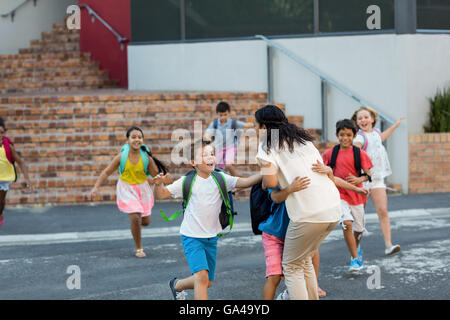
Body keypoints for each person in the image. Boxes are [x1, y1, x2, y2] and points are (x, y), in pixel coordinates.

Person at [153, 139, 261, 300]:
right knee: (202, 278)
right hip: (192, 236)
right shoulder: (186, 182)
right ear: (192, 162)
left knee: (207, 281)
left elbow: (245, 182)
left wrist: (266, 172)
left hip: (211, 237)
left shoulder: (221, 178)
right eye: (204, 155)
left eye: (212, 154)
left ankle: (176, 285)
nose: (210, 157)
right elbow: (161, 195)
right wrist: (158, 184)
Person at [255, 105, 341, 300]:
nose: (256, 130)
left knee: (292, 266)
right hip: (333, 209)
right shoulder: (303, 140)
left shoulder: (268, 145)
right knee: (304, 260)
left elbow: (270, 183)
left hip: (308, 213)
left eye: (257, 126)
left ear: (265, 127)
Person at [89, 126, 169, 258]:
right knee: (135, 217)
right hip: (126, 189)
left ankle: (135, 224)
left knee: (145, 221)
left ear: (142, 140)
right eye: (133, 137)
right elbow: (106, 172)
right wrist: (96, 187)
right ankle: (139, 249)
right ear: (127, 140)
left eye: (139, 137)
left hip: (142, 189)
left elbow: (156, 176)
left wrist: (163, 181)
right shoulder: (121, 157)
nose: (137, 140)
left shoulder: (146, 158)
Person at [351, 106, 405, 256]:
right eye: (360, 118)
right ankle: (355, 251)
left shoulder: (375, 133)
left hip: (377, 179)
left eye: (366, 117)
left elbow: (381, 138)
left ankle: (388, 245)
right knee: (359, 218)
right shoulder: (359, 137)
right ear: (356, 122)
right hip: (363, 180)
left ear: (373, 119)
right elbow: (356, 150)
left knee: (383, 211)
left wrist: (395, 125)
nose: (363, 120)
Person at [322, 119, 373, 272]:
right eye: (342, 135)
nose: (345, 138)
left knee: (359, 229)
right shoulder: (330, 153)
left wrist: (359, 179)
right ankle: (355, 259)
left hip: (357, 196)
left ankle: (356, 249)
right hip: (339, 195)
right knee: (347, 223)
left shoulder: (360, 154)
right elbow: (325, 173)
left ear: (354, 136)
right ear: (337, 135)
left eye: (349, 135)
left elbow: (369, 175)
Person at [204, 101, 254, 176]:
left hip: (230, 147)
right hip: (219, 148)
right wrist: (207, 138)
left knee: (228, 164)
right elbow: (207, 133)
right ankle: (222, 182)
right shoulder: (214, 124)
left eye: (225, 115)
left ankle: (237, 180)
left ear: (229, 113)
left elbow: (246, 125)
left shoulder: (233, 123)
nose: (223, 117)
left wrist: (255, 124)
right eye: (221, 115)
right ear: (217, 114)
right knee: (218, 168)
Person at [0, 117, 33, 227]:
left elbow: (21, 162)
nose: (0, 136)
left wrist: (27, 178)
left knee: (1, 201)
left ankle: (0, 213)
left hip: (4, 178)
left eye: (2, 133)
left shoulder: (8, 147)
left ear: (5, 132)